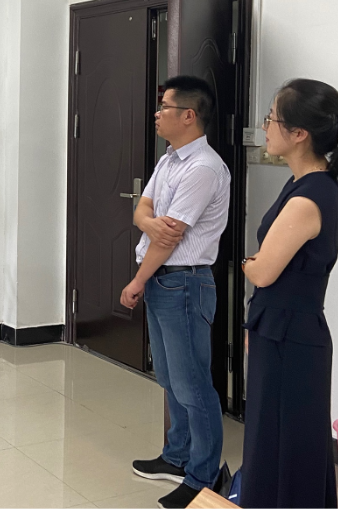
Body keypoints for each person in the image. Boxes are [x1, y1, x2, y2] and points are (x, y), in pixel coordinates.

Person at [240, 79, 338, 509]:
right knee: (274, 441)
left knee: (286, 445)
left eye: (271, 119)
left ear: (298, 134)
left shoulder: (309, 197)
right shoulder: (305, 183)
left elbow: (264, 271)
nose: (265, 127)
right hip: (281, 328)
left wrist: (248, 263)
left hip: (291, 337)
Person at [120, 76, 231, 509]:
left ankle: (205, 475)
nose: (157, 113)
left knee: (193, 384)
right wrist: (147, 221)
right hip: (164, 279)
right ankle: (177, 455)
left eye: (164, 106)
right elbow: (142, 210)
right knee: (169, 377)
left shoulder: (203, 168)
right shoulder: (170, 159)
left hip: (183, 281)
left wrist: (137, 281)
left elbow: (170, 239)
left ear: (188, 115)